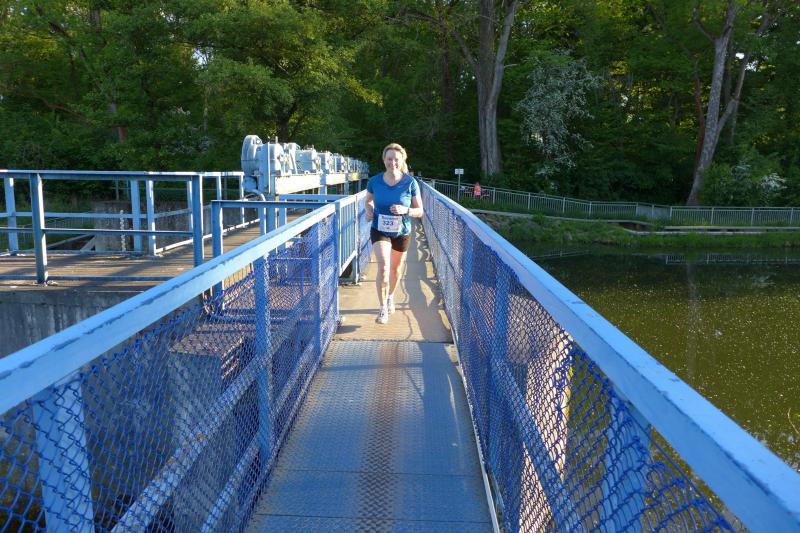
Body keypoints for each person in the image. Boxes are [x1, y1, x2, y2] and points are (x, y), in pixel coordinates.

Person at [365, 143, 424, 324]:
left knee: (396, 270)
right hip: (379, 229)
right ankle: (383, 308)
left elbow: (420, 211)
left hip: (402, 231)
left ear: (402, 160)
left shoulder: (410, 183)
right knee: (383, 268)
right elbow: (368, 201)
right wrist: (368, 209)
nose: (392, 163)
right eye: (389, 159)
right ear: (384, 160)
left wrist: (406, 210)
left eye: (396, 159)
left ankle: (390, 296)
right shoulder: (374, 181)